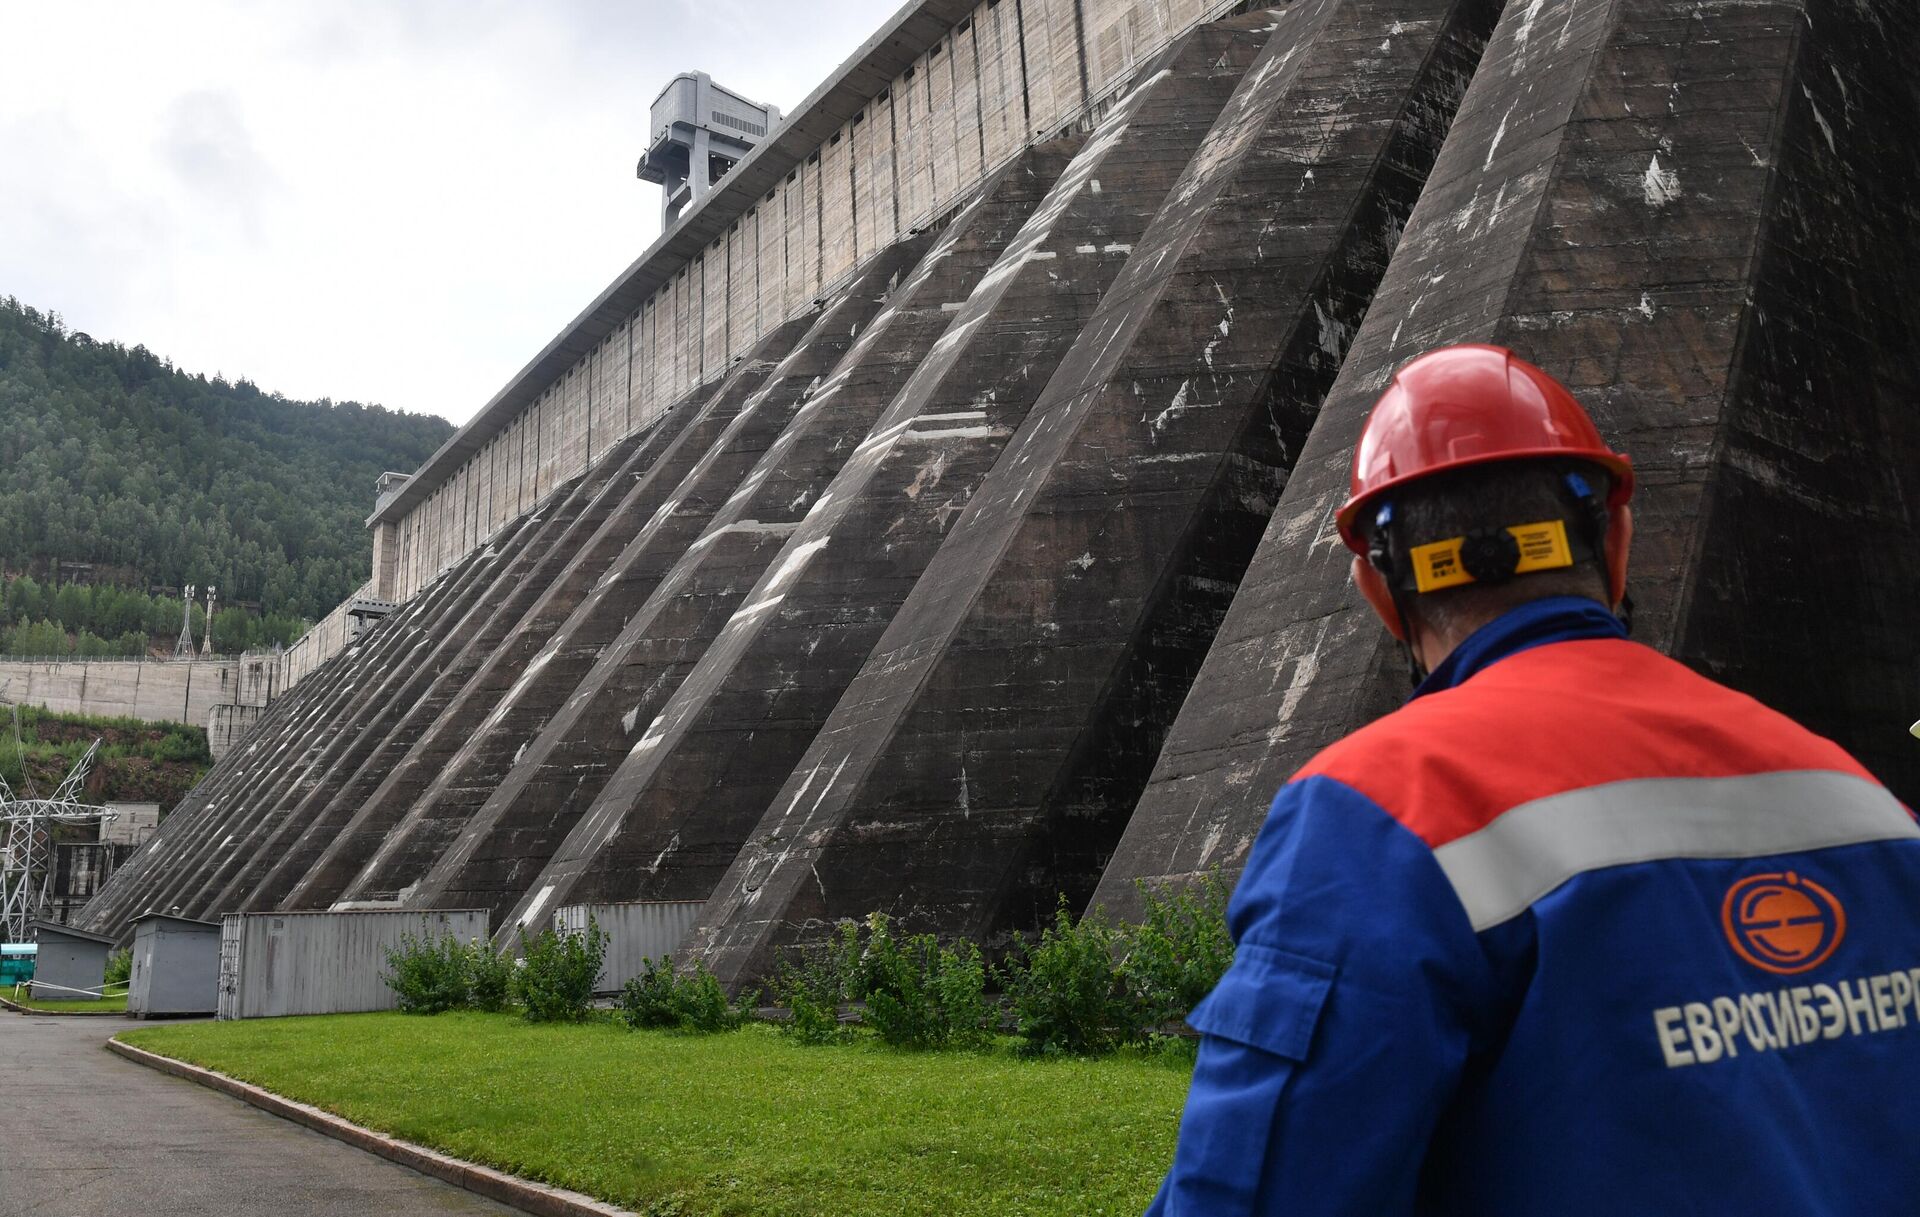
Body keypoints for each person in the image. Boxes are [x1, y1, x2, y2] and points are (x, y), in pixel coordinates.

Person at [1146, 344, 1920, 1215]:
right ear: (1615, 540)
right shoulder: (1865, 801)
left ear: (1377, 586)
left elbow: (1256, 1192)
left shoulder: (1379, 816)